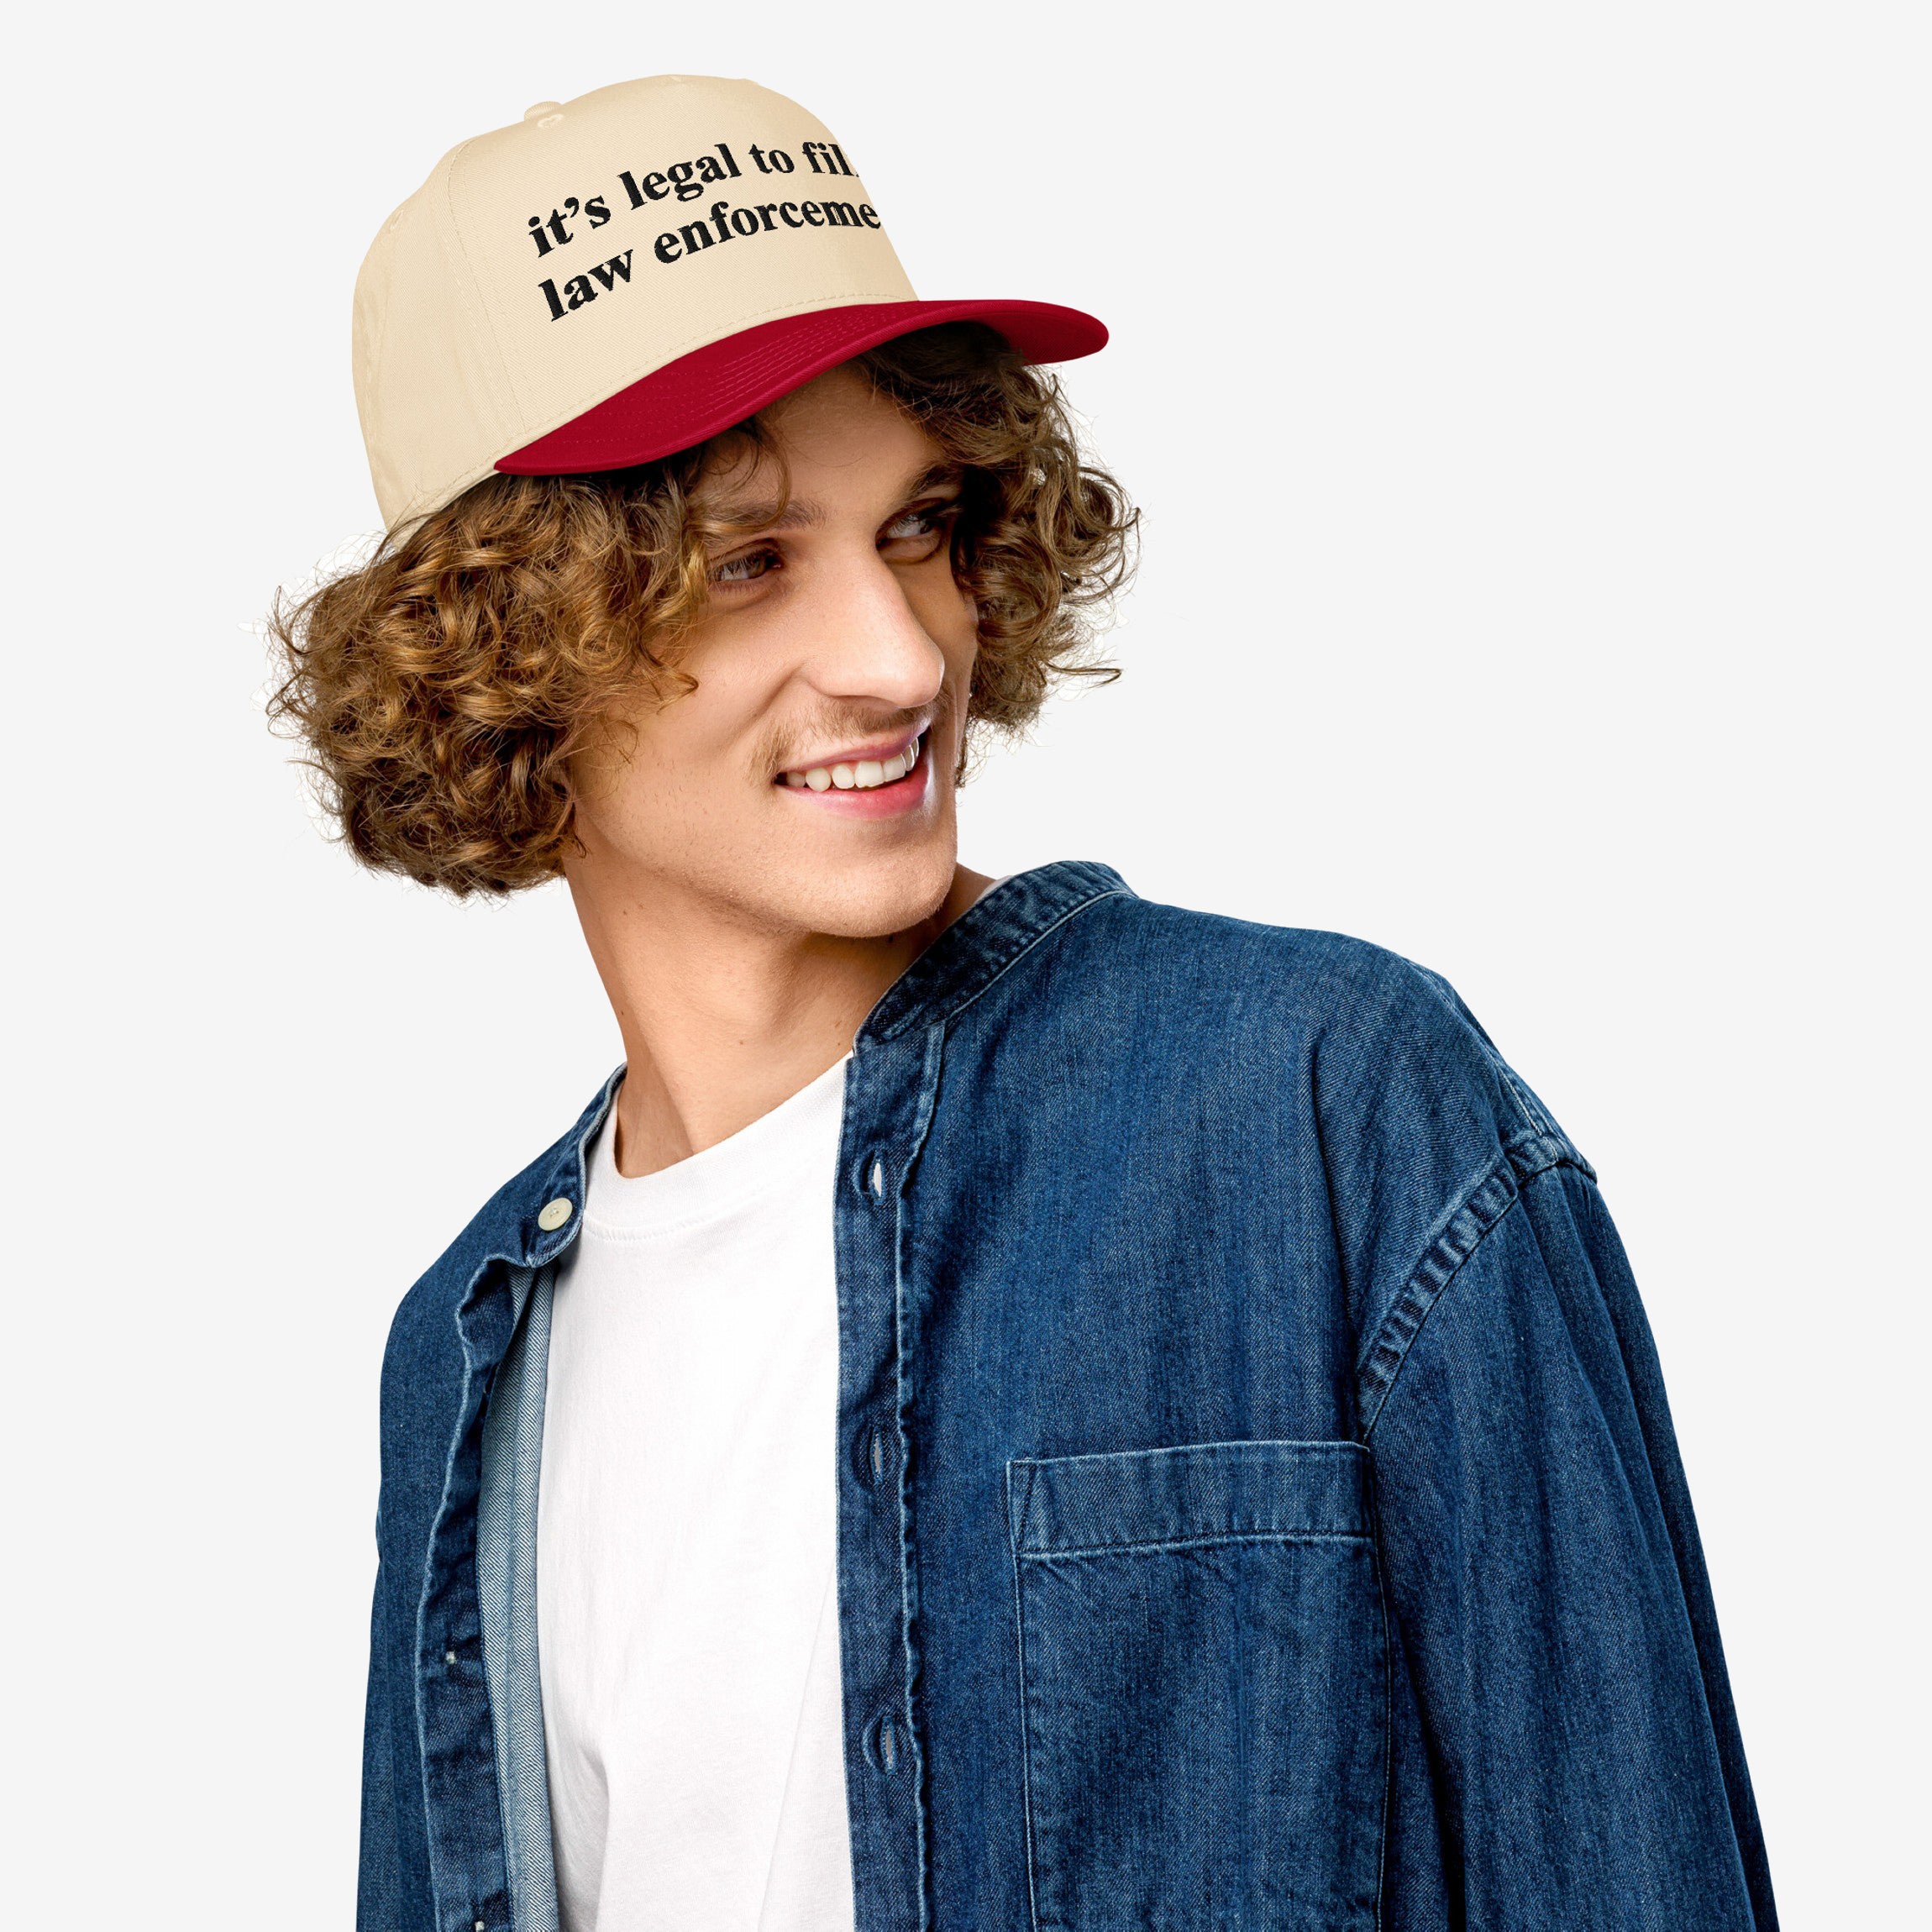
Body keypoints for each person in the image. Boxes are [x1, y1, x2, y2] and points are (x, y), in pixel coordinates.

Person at [270, 74, 1778, 1932]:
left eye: (921, 525)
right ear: (502, 648)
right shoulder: (468, 1351)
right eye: (750, 561)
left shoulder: (1321, 1113)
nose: (904, 654)